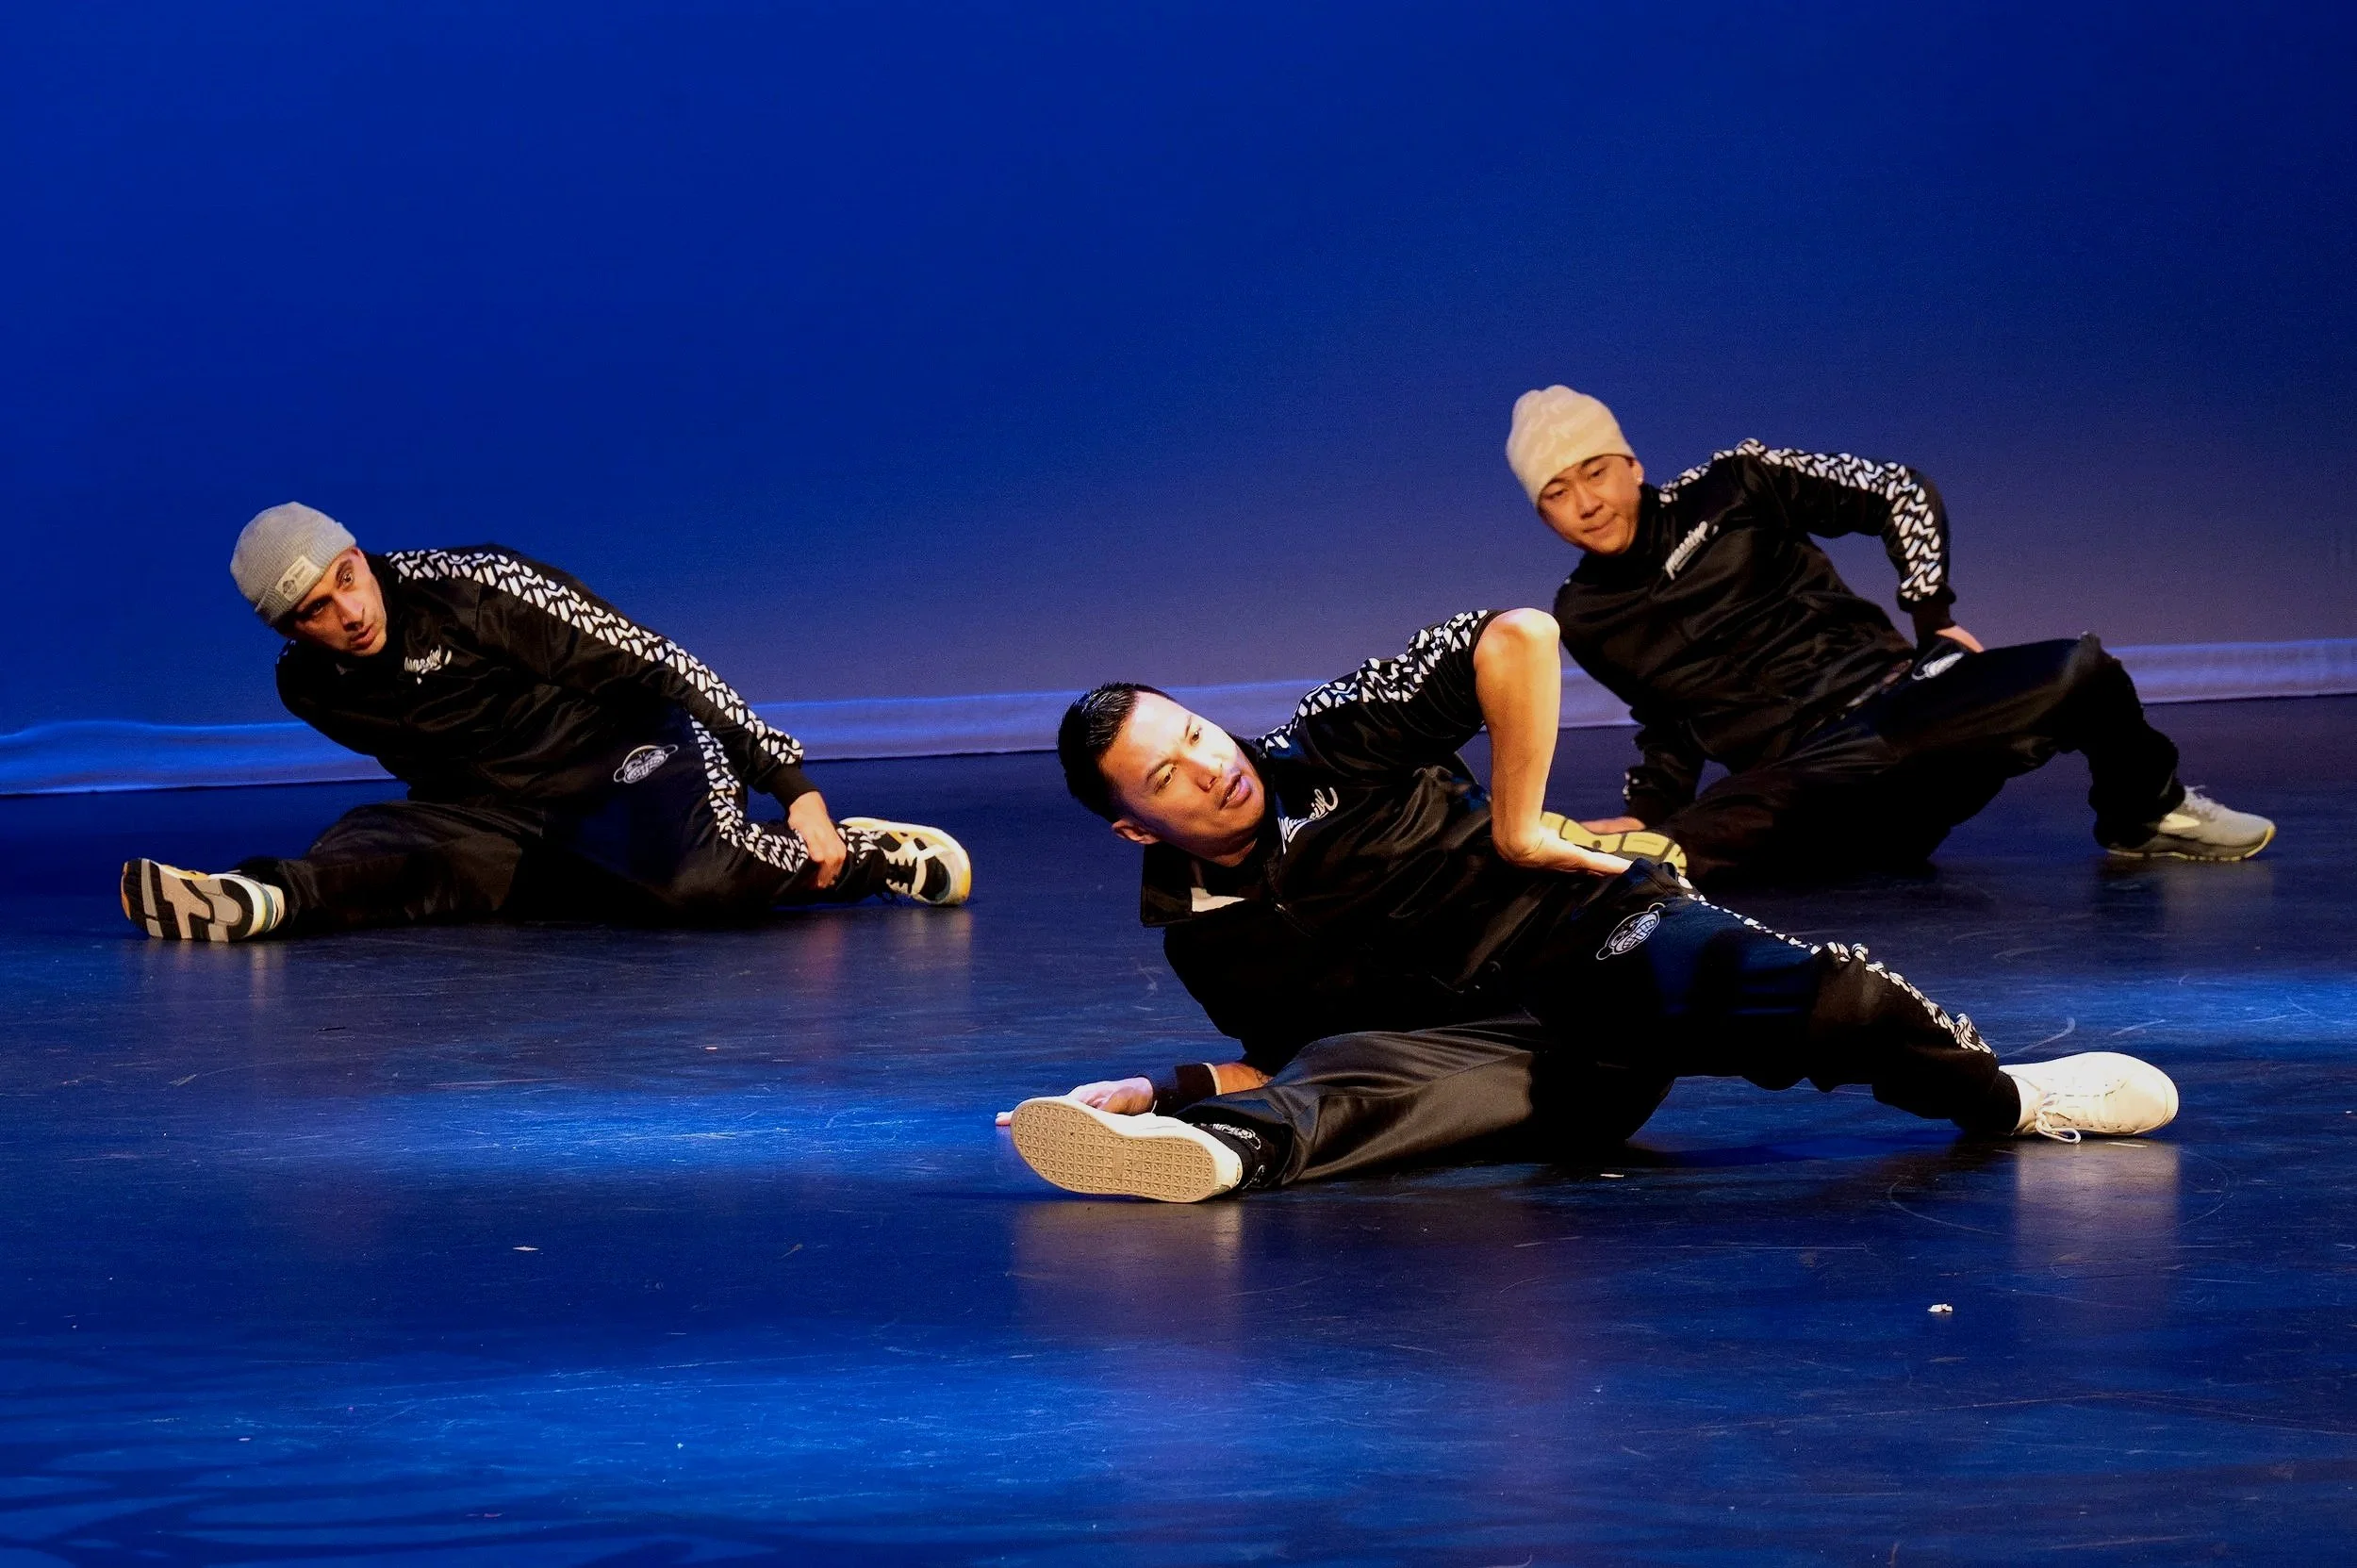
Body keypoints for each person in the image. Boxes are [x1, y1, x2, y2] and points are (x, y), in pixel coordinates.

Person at [1002, 606, 2177, 1203]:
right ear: (1133, 826)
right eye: (1167, 777)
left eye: (1195, 735)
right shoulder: (1206, 932)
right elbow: (1300, 1052)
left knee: (1845, 1007)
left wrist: (1517, 822)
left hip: (1594, 939)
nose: (1209, 768)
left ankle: (2012, 1097)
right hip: (1518, 1060)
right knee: (1362, 1077)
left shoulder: (1331, 737)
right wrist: (1169, 1087)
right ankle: (1211, 1155)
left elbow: (1516, 636)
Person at [1505, 386, 2275, 884]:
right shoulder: (1583, 615)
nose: (1587, 501)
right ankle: (1654, 855)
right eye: (1557, 493)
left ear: (1632, 464)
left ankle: (2146, 812)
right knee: (1705, 829)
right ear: (1544, 516)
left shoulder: (1738, 483)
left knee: (2080, 668)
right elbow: (1666, 721)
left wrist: (1932, 621)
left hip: (1907, 716)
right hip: (1813, 793)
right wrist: (1647, 810)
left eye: (1595, 471)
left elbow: (1896, 491)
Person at [121, 503, 970, 941]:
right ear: (289, 629)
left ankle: (867, 856)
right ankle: (260, 899)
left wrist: (794, 787)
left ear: (357, 553)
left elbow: (656, 659)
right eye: (314, 609)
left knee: (692, 887)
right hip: (499, 811)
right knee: (367, 853)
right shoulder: (305, 687)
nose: (347, 612)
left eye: (347, 577)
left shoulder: (471, 588)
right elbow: (430, 766)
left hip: (626, 758)